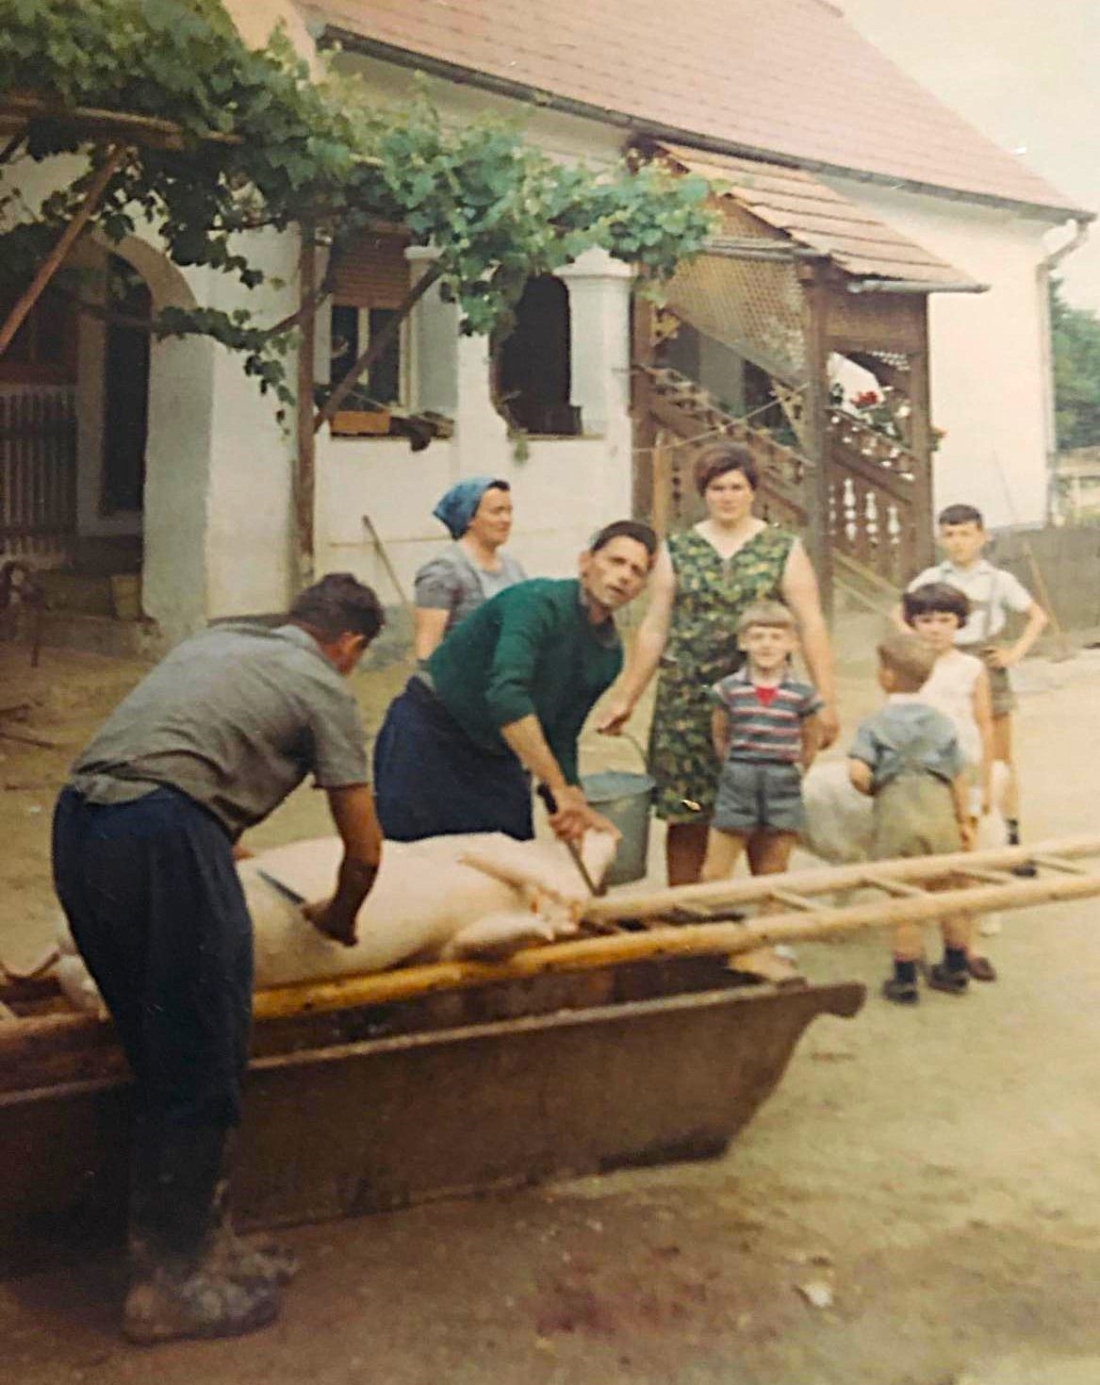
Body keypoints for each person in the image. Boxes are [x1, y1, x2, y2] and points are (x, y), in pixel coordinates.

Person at [51, 574, 386, 1345]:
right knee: (202, 1057)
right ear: (350, 645)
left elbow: (166, 760)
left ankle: (200, 1246)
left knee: (161, 1052)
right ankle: (171, 1286)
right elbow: (365, 851)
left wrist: (222, 851)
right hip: (162, 837)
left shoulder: (215, 643)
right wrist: (337, 915)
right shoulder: (323, 684)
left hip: (82, 825)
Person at [599, 443, 838, 886]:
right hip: (687, 704)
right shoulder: (678, 548)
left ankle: (764, 913)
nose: (727, 497)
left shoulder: (781, 548)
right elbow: (655, 627)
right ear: (703, 493)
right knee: (689, 810)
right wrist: (626, 698)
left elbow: (810, 623)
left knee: (762, 812)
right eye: (717, 488)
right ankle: (686, 914)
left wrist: (825, 699)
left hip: (762, 704)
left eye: (736, 487)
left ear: (753, 491)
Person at [374, 520, 658, 845]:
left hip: (497, 755)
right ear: (585, 562)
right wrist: (558, 788)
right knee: (414, 858)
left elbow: (561, 735)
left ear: (641, 588)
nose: (624, 576)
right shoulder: (536, 602)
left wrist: (573, 803)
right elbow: (507, 696)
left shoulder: (608, 657)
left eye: (637, 571)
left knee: (512, 852)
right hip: (430, 732)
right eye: (616, 561)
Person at [900, 503, 1048, 858]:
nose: (958, 542)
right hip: (942, 663)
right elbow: (899, 613)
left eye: (965, 534)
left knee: (997, 755)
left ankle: (1011, 835)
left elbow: (1037, 617)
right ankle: (955, 833)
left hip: (985, 661)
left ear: (981, 537)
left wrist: (1013, 653)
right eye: (950, 535)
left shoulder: (998, 579)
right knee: (946, 748)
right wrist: (921, 646)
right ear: (941, 539)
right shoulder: (932, 578)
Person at [848, 632, 975, 1005]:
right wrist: (963, 821)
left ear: (886, 677)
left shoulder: (875, 724)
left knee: (903, 896)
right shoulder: (942, 723)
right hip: (939, 812)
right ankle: (955, 968)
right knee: (947, 891)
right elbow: (959, 777)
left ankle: (905, 979)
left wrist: (873, 789)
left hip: (897, 814)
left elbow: (857, 772)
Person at [903, 581, 998, 982]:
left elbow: (984, 724)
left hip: (965, 771)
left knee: (964, 861)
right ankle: (914, 949)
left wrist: (987, 781)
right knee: (920, 861)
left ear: (959, 623)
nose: (935, 628)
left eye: (945, 620)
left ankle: (966, 947)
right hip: (921, 776)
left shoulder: (971, 668)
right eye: (926, 620)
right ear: (913, 623)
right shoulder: (906, 665)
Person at [701, 601, 824, 883]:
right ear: (743, 642)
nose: (767, 645)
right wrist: (734, 766)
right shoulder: (729, 689)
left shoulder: (802, 694)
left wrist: (797, 769)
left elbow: (810, 739)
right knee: (715, 871)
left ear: (792, 643)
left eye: (776, 637)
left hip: (782, 782)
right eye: (757, 637)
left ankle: (770, 912)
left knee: (773, 872)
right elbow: (720, 734)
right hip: (739, 779)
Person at [413, 476, 526, 660]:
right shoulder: (443, 572)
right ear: (469, 518)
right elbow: (428, 647)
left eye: (509, 511)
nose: (506, 519)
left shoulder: (513, 568)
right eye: (496, 512)